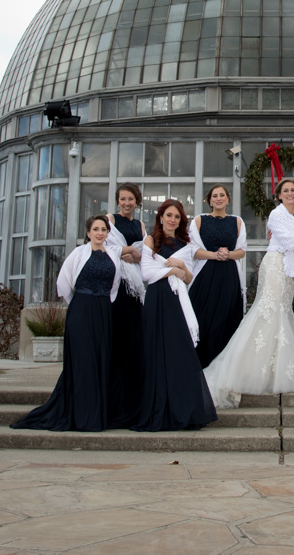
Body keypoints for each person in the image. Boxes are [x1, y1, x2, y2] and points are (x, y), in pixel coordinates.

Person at [204, 178, 294, 408]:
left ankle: (274, 373)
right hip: (274, 266)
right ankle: (239, 371)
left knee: (281, 315)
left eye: (293, 190)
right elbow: (286, 240)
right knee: (267, 313)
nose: (290, 193)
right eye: (286, 190)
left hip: (288, 272)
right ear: (279, 195)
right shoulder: (277, 214)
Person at [11, 215, 120, 432]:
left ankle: (96, 414)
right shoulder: (78, 253)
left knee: (100, 359)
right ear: (88, 233)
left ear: (107, 233)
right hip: (81, 310)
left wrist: (102, 305)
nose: (100, 233)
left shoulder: (113, 256)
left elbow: (114, 286)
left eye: (103, 229)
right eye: (96, 229)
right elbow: (64, 283)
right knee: (83, 360)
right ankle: (81, 414)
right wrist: (81, 303)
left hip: (103, 312)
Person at [131, 200, 217, 432]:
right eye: (169, 215)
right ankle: (161, 410)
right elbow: (147, 273)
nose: (172, 220)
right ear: (160, 217)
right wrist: (173, 270)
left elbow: (189, 279)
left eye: (177, 217)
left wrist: (181, 266)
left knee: (180, 352)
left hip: (178, 301)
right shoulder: (150, 240)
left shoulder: (186, 244)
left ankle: (184, 411)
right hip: (158, 300)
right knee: (158, 352)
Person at [189, 184, 247, 368]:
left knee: (226, 318)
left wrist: (227, 255)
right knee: (203, 317)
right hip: (206, 275)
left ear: (228, 199)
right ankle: (201, 364)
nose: (219, 198)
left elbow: (242, 251)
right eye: (215, 195)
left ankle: (223, 366)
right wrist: (214, 255)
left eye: (222, 195)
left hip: (229, 276)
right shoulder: (199, 220)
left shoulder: (237, 221)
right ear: (209, 200)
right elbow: (193, 250)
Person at [105, 182, 146, 427]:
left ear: (137, 201)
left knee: (133, 335)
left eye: (130, 199)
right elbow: (108, 247)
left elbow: (142, 253)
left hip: (136, 286)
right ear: (118, 201)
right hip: (118, 284)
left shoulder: (139, 224)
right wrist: (129, 250)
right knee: (117, 335)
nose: (126, 203)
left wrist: (133, 253)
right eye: (123, 199)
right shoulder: (110, 220)